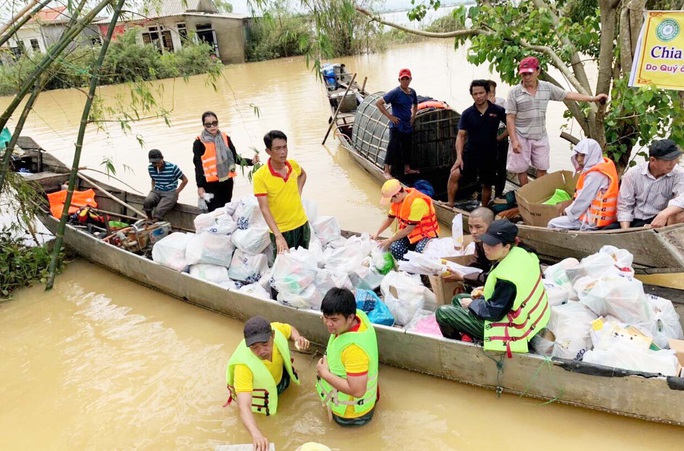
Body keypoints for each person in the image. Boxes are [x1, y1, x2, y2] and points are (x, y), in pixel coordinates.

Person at [435, 220, 550, 356]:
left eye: (492, 245)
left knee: (442, 313)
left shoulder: (507, 277)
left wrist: (473, 303)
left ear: (506, 246)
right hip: (531, 317)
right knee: (458, 299)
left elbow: (494, 313)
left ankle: (458, 351)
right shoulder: (524, 253)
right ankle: (472, 337)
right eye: (486, 243)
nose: (486, 248)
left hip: (515, 329)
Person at [506, 56, 609, 185]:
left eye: (529, 73)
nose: (526, 77)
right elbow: (510, 117)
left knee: (542, 167)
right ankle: (525, 194)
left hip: (540, 135)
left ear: (538, 71)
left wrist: (592, 99)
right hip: (521, 135)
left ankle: (539, 195)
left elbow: (568, 95)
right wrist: (514, 140)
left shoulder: (547, 87)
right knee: (521, 169)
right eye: (524, 74)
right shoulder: (514, 92)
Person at [226, 316, 310, 451]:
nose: (261, 352)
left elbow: (289, 329)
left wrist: (297, 338)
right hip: (262, 397)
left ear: (273, 335)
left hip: (281, 380)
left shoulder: (276, 328)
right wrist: (256, 433)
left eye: (265, 344)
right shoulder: (243, 367)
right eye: (254, 347)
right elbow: (244, 405)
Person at [316, 288, 379, 427]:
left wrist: (324, 374)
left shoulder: (354, 350)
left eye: (334, 319)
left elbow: (358, 391)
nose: (328, 323)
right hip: (358, 405)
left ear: (350, 317)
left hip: (351, 414)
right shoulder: (360, 317)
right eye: (325, 317)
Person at [447, 80, 506, 207]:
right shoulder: (467, 113)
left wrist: (500, 137)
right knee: (454, 174)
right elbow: (461, 136)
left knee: (487, 184)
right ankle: (450, 203)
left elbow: (511, 124)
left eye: (481, 93)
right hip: (471, 152)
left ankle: (484, 209)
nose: (478, 96)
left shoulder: (498, 110)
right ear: (472, 95)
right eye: (475, 94)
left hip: (490, 154)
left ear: (487, 93)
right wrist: (459, 157)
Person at [253, 130, 309, 256]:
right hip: (282, 230)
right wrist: (278, 236)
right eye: (277, 148)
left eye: (285, 147)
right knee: (283, 268)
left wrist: (298, 191)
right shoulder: (260, 176)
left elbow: (303, 175)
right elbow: (264, 208)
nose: (283, 152)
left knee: (303, 264)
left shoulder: (293, 165)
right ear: (268, 151)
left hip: (302, 224)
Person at [193, 111, 260, 212]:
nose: (212, 126)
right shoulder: (199, 143)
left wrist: (251, 162)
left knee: (227, 208)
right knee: (215, 211)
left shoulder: (225, 138)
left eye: (215, 123)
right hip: (209, 185)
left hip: (226, 181)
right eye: (208, 124)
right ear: (204, 125)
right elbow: (198, 165)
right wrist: (200, 186)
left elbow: (234, 157)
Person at [547, 138, 619, 230]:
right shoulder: (602, 166)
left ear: (592, 154)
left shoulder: (595, 175)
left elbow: (583, 200)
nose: (579, 159)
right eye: (577, 155)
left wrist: (567, 212)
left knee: (552, 223)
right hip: (599, 217)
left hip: (592, 221)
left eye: (583, 155)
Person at [612, 139, 684, 229]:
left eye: (674, 159)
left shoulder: (679, 173)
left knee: (680, 214)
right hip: (635, 220)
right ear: (653, 160)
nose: (672, 163)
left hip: (660, 221)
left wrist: (664, 214)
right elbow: (625, 206)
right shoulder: (633, 173)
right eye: (667, 160)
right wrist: (626, 231)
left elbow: (682, 199)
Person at [371, 178, 439, 261]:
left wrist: (389, 240)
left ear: (398, 194)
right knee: (395, 248)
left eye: (391, 199)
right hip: (409, 234)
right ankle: (406, 269)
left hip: (425, 234)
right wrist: (377, 233)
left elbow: (409, 230)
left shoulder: (417, 203)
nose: (391, 202)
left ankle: (419, 273)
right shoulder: (398, 202)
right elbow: (389, 219)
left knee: (420, 250)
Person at [376, 68, 419, 179]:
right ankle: (386, 170)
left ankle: (407, 168)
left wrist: (413, 117)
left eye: (407, 79)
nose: (405, 81)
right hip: (396, 125)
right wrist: (390, 116)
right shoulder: (395, 92)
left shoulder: (412, 92)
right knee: (393, 147)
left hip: (407, 125)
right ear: (399, 80)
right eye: (402, 79)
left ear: (410, 79)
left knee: (407, 147)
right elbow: (379, 103)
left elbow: (415, 105)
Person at [441, 207, 494, 288]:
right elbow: (477, 262)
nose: (473, 232)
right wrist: (459, 271)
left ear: (491, 226)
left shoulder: (497, 245)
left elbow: (493, 276)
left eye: (478, 227)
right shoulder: (480, 241)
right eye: (470, 227)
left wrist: (463, 277)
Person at [143, 149, 188, 221]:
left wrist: (177, 192)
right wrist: (152, 190)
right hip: (157, 190)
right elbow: (153, 179)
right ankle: (149, 218)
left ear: (162, 158)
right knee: (147, 201)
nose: (156, 165)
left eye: (158, 162)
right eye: (154, 163)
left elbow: (185, 180)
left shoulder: (173, 167)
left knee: (159, 210)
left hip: (170, 191)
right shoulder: (150, 168)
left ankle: (156, 221)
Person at [486, 80, 510, 200]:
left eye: (493, 92)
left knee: (501, 165)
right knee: (486, 165)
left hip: (500, 132)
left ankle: (499, 193)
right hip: (486, 135)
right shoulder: (480, 104)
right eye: (489, 92)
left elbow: (509, 123)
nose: (491, 95)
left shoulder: (501, 102)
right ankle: (484, 193)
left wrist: (500, 137)